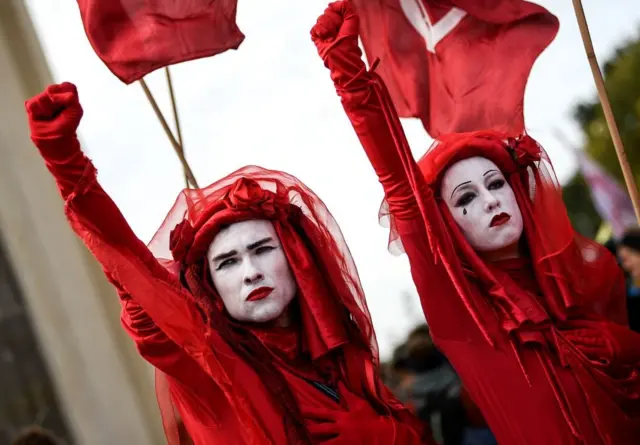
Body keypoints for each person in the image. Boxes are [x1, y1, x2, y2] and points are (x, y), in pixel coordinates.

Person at [25, 83, 432, 444]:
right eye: (227, 262)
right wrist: (68, 167)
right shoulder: (211, 366)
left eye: (262, 249)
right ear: (211, 286)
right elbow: (133, 275)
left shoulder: (342, 358)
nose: (251, 272)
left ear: (298, 258)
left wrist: (387, 435)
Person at [311, 2, 640, 444]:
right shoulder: (467, 312)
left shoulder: (572, 293)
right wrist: (347, 71)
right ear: (448, 225)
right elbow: (400, 182)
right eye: (466, 197)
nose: (490, 200)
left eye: (496, 183)